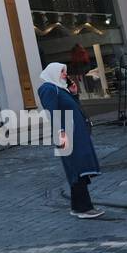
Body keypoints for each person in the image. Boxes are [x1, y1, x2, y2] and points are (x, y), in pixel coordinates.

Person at [37, 62, 103, 219]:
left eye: (65, 71)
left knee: (79, 168)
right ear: (53, 72)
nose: (65, 75)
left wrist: (74, 94)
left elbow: (74, 109)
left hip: (76, 134)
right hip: (67, 135)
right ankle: (84, 208)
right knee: (76, 168)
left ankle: (78, 207)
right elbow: (52, 113)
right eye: (62, 72)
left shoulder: (61, 90)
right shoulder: (48, 88)